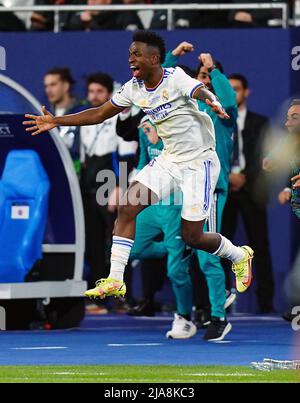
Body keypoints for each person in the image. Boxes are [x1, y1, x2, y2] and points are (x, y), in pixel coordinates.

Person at [23, 30, 254, 303]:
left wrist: (212, 101)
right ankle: (116, 280)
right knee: (128, 206)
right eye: (130, 54)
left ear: (155, 59)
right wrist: (57, 121)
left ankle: (240, 255)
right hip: (170, 160)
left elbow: (199, 90)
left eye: (137, 54)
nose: (131, 59)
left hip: (199, 162)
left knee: (191, 236)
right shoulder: (133, 88)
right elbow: (99, 113)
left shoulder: (175, 78)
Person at [163, 41, 237, 339]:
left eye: (208, 79)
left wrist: (213, 68)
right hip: (182, 187)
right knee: (179, 256)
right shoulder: (188, 107)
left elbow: (229, 100)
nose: (204, 82)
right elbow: (161, 83)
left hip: (209, 188)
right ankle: (192, 314)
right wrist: (174, 57)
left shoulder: (223, 114)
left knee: (207, 255)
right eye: (200, 78)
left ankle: (219, 316)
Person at [221, 73, 274, 313]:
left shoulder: (260, 123)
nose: (233, 94)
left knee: (259, 244)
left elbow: (265, 156)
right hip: (224, 188)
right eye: (229, 90)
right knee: (220, 244)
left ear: (247, 92)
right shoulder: (217, 120)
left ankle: (266, 302)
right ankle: (220, 299)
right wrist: (227, 176)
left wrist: (244, 177)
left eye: (237, 89)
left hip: (251, 189)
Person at [44, 67, 87, 174]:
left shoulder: (84, 112)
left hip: (79, 176)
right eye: (46, 86)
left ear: (66, 86)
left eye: (53, 84)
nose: (48, 90)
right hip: (53, 172)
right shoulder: (45, 116)